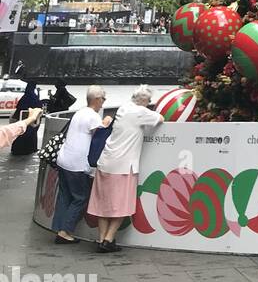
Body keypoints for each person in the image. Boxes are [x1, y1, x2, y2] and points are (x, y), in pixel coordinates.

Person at [88, 85, 162, 252]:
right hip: (124, 167)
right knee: (123, 205)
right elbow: (160, 118)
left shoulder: (123, 108)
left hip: (105, 162)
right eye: (149, 101)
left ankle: (101, 239)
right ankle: (108, 239)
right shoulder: (140, 112)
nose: (149, 104)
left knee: (102, 204)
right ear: (144, 101)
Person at [52, 85, 110, 245]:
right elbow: (100, 139)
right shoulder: (93, 117)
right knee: (81, 198)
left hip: (63, 159)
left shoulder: (79, 112)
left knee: (64, 196)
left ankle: (58, 228)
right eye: (103, 99)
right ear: (97, 99)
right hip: (77, 164)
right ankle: (64, 232)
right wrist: (105, 123)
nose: (103, 103)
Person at [8, 80, 42, 156]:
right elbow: (39, 107)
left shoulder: (25, 97)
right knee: (31, 135)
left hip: (23, 120)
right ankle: (29, 149)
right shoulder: (34, 97)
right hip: (32, 121)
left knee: (21, 135)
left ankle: (18, 150)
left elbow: (19, 108)